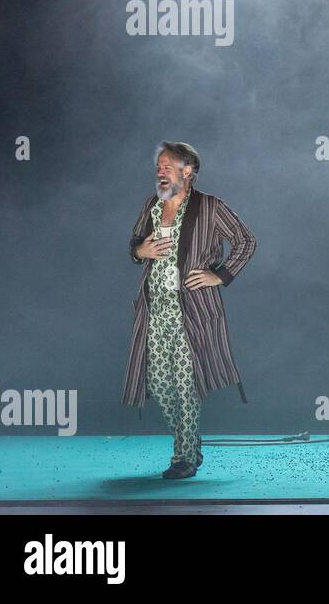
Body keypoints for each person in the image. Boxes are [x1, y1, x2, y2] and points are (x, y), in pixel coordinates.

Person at [121, 142, 256, 479]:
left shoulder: (210, 207)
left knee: (186, 383)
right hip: (154, 310)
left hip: (193, 311)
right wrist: (142, 250)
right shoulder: (152, 205)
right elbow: (133, 245)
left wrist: (219, 275)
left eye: (168, 165)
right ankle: (190, 441)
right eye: (159, 165)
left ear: (188, 171)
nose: (160, 171)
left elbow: (246, 241)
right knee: (159, 382)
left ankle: (183, 458)